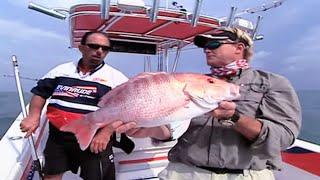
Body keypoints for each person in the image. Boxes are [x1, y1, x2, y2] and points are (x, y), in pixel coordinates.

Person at [123, 27, 302, 180]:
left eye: (214, 45)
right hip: (185, 172)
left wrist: (234, 117)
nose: (207, 50)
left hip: (243, 175)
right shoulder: (194, 83)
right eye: (205, 47)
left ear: (239, 48)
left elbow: (283, 138)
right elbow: (174, 127)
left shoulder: (272, 83)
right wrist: (148, 129)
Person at [20, 31, 135, 180]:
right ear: (81, 48)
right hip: (58, 138)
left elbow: (126, 110)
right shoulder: (60, 70)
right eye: (94, 46)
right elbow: (41, 93)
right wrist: (33, 116)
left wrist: (106, 133)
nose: (99, 51)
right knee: (50, 176)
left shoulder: (116, 78)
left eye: (105, 48)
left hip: (95, 138)